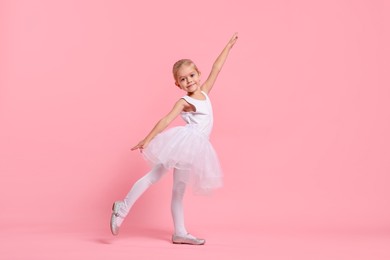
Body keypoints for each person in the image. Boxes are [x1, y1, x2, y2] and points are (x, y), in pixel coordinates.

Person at [110, 33, 238, 245]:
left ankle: (180, 232)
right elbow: (165, 120)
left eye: (192, 75)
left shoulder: (205, 91)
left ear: (198, 74)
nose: (189, 81)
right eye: (183, 79)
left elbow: (217, 68)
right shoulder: (184, 101)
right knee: (154, 176)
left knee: (178, 190)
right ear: (177, 84)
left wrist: (228, 46)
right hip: (184, 144)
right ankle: (121, 208)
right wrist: (147, 138)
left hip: (194, 149)